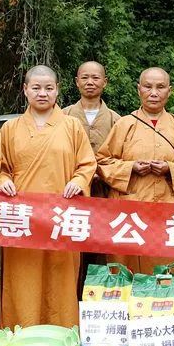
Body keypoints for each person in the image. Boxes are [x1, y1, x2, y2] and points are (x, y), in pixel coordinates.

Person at [0, 65, 97, 329]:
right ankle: (19, 333)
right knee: (22, 279)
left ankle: (62, 335)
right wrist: (3, 180)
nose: (43, 93)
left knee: (60, 279)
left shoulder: (72, 126)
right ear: (25, 90)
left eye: (49, 88)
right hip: (22, 221)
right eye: (36, 88)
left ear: (57, 91)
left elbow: (87, 164)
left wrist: (78, 181)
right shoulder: (10, 128)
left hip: (61, 217)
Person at [96, 67, 174, 274]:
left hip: (167, 209)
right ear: (139, 90)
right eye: (148, 87)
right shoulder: (124, 124)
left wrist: (170, 169)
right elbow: (102, 162)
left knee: (165, 272)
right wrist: (130, 167)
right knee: (125, 272)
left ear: (169, 91)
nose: (154, 93)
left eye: (160, 87)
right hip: (128, 211)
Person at [62, 60, 120, 281]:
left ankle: (101, 304)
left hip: (105, 195)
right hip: (71, 196)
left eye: (95, 78)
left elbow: (122, 159)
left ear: (104, 82)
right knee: (72, 253)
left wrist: (102, 173)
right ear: (76, 82)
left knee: (104, 252)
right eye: (85, 77)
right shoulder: (63, 116)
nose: (90, 82)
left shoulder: (118, 121)